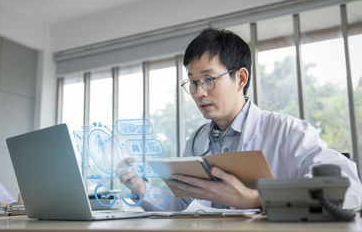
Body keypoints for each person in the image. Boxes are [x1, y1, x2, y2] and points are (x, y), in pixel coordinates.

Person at [116, 28, 362, 211]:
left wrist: (255, 200)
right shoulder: (198, 139)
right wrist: (142, 188)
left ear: (241, 79)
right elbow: (182, 205)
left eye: (209, 79)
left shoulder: (286, 131)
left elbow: (348, 188)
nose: (199, 92)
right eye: (192, 82)